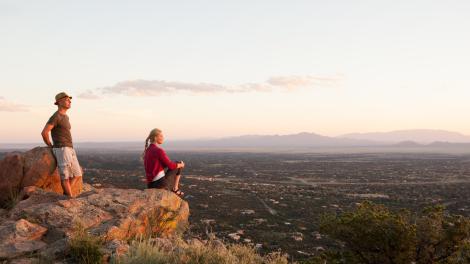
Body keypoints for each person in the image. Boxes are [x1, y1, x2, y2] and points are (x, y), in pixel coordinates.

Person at [41, 92, 82, 197]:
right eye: (67, 99)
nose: (69, 101)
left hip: (70, 148)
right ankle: (69, 198)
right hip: (62, 149)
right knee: (65, 177)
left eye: (70, 100)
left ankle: (66, 195)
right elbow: (45, 132)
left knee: (77, 175)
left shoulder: (66, 117)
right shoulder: (56, 116)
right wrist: (50, 145)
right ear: (59, 102)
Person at [143, 128, 185, 196]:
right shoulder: (158, 150)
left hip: (150, 185)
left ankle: (175, 189)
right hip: (160, 183)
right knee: (178, 163)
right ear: (155, 137)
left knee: (176, 164)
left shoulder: (148, 150)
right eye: (161, 136)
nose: (163, 138)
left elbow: (157, 166)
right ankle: (175, 188)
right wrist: (181, 165)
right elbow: (170, 166)